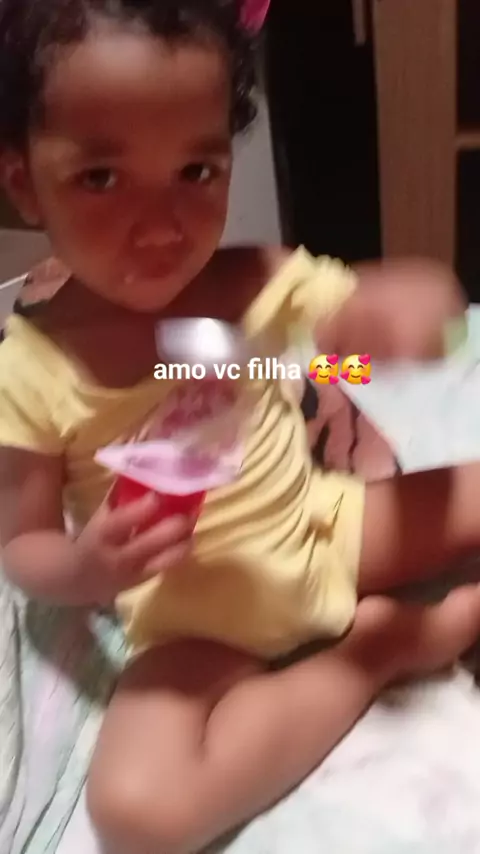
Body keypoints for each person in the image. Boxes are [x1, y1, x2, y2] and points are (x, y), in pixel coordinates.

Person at [0, 2, 480, 852]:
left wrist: (406, 316)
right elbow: (22, 547)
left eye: (196, 170)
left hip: (326, 529)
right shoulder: (30, 372)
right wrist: (86, 565)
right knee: (137, 812)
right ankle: (383, 649)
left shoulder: (244, 284)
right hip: (194, 614)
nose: (161, 225)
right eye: (101, 178)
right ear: (25, 184)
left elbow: (406, 319)